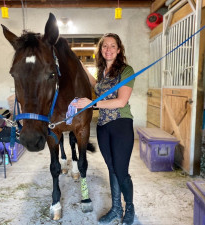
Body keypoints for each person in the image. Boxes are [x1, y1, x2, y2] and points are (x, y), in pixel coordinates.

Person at [72, 33, 135, 225]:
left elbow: (121, 101)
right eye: (104, 46)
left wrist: (92, 104)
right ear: (100, 50)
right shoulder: (102, 72)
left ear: (118, 49)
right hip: (103, 127)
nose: (108, 49)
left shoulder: (126, 70)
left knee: (121, 170)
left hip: (120, 124)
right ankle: (116, 209)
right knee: (111, 169)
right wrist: (80, 66)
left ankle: (130, 207)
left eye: (112, 46)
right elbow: (97, 86)